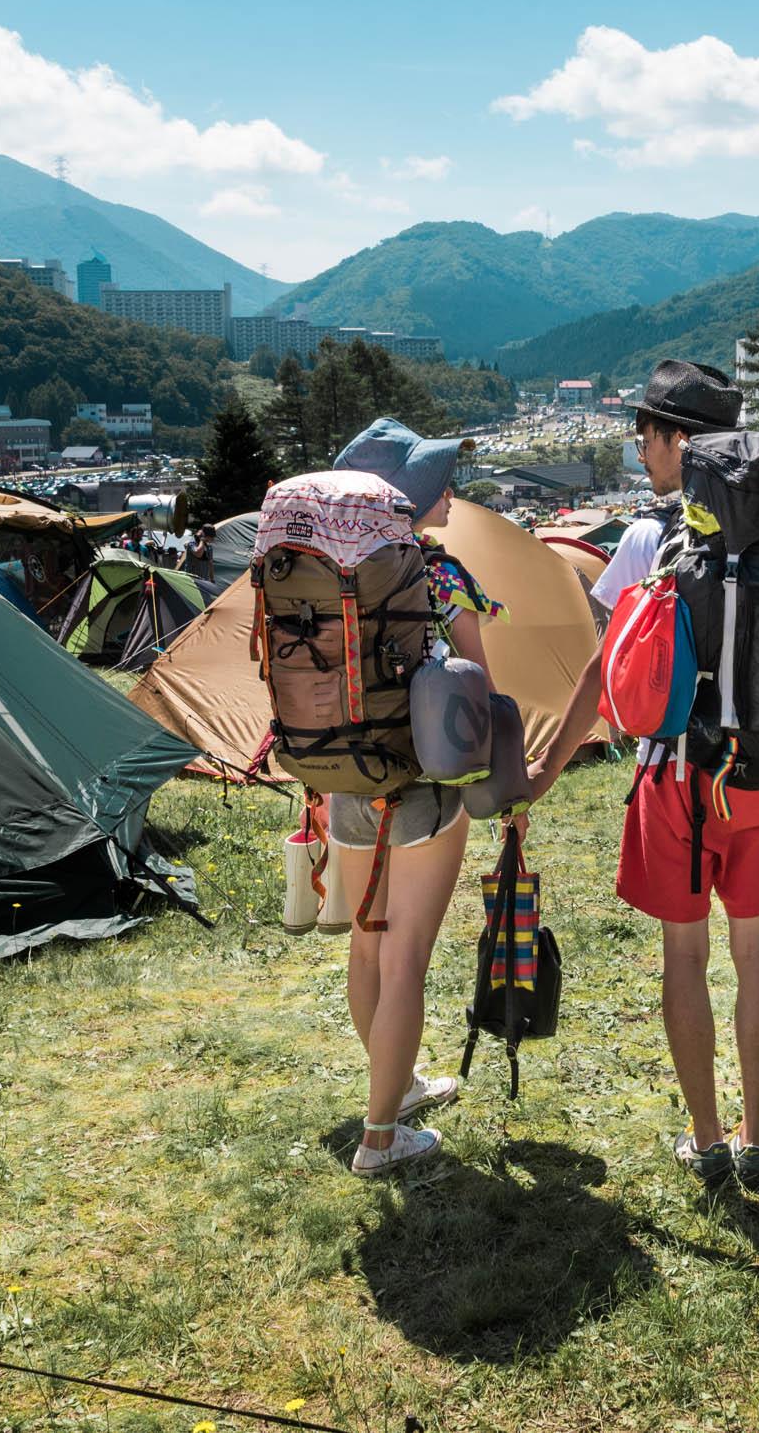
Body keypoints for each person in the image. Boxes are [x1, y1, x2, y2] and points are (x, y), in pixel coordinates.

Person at [529, 360, 759, 1190]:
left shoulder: (650, 535)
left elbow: (601, 672)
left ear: (679, 442)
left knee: (685, 954)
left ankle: (708, 1142)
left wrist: (544, 768)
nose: (641, 451)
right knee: (755, 953)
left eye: (646, 435)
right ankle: (757, 1141)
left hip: (674, 776)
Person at [327, 419, 504, 1177]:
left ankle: (394, 1088)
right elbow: (479, 686)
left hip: (343, 781)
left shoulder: (330, 571)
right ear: (408, 500)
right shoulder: (439, 574)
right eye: (437, 485)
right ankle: (379, 1137)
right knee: (406, 962)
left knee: (368, 948)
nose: (449, 495)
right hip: (424, 789)